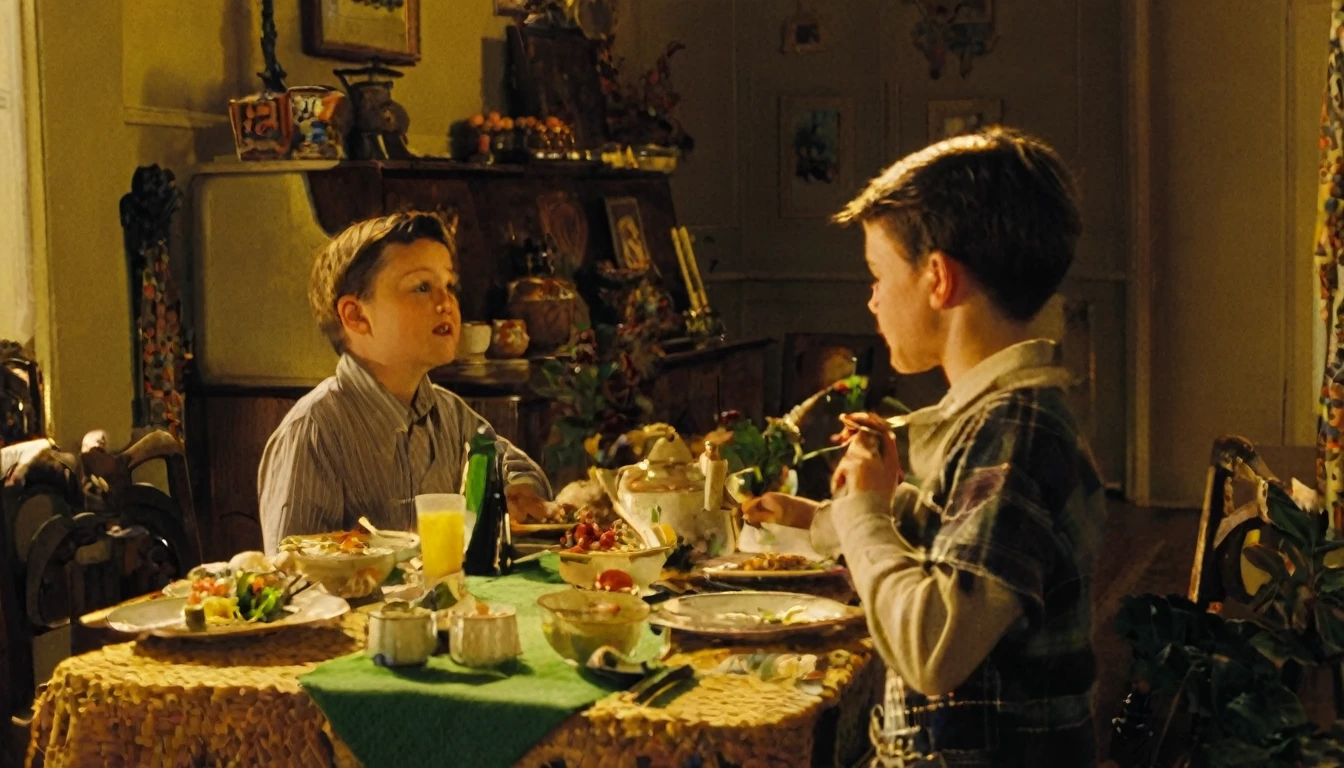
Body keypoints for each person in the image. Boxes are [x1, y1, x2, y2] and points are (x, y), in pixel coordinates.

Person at [744, 127, 1106, 767]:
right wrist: (832, 519)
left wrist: (863, 516)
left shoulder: (1016, 429)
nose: (872, 299)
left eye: (879, 275)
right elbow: (966, 546)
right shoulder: (999, 414)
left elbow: (934, 648)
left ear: (937, 279)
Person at [258, 212, 550, 553]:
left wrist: (520, 489)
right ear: (356, 316)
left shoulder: (450, 415)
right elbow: (292, 573)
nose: (446, 304)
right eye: (421, 287)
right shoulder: (314, 432)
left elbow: (514, 466)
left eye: (449, 286)